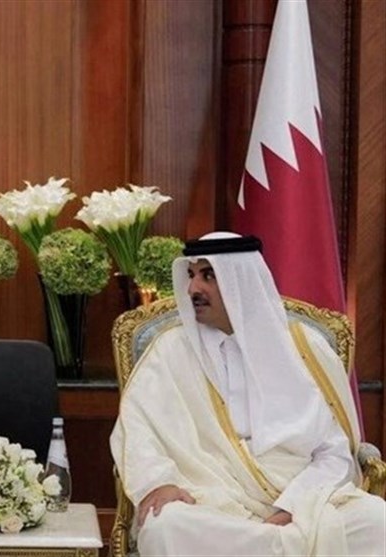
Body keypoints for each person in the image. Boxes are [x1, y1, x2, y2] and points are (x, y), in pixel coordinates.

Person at [110, 231, 385, 556]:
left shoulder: (305, 348)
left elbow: (335, 451)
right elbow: (138, 429)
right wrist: (158, 482)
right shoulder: (170, 350)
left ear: (240, 280)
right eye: (191, 275)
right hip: (212, 499)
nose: (193, 288)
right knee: (166, 525)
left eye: (208, 275)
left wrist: (292, 506)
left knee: (376, 519)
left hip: (302, 498)